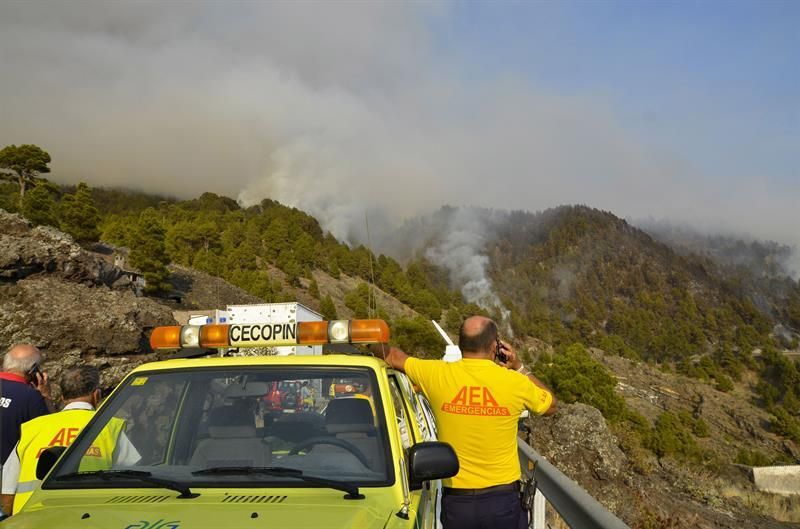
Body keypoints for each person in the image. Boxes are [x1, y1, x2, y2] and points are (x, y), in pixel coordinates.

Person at [377, 316, 556, 529]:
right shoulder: (515, 382)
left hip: (457, 505)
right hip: (503, 502)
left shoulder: (436, 373)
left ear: (461, 345)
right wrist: (518, 366)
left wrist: (364, 338)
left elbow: (392, 356)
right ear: (494, 346)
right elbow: (551, 405)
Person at [0, 365, 139, 515]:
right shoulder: (109, 427)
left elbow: (8, 495)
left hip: (31, 521)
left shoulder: (32, 428)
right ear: (96, 395)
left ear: (62, 398)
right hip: (87, 521)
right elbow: (136, 481)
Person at [0, 345, 53, 476]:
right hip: (8, 476)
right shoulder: (31, 397)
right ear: (34, 370)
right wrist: (46, 397)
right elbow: (50, 434)